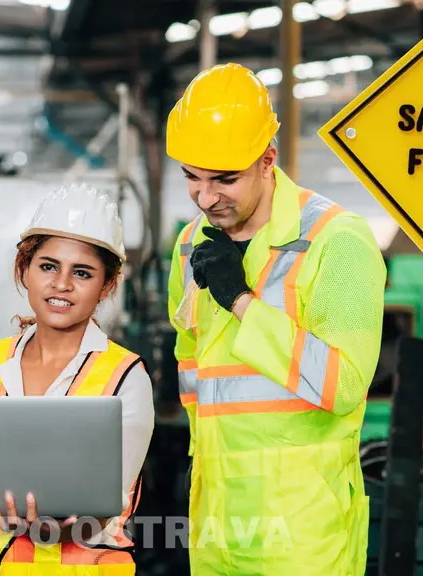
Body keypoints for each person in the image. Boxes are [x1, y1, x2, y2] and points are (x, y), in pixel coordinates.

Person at [165, 62, 386, 575]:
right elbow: (191, 365)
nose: (205, 198)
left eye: (224, 179)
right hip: (217, 527)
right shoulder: (190, 246)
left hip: (302, 537)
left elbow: (344, 384)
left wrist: (240, 300)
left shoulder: (338, 240)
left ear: (268, 161)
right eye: (192, 179)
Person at [0, 182, 155, 575]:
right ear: (23, 269)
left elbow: (105, 510)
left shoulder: (125, 377)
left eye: (82, 272)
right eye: (48, 266)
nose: (61, 284)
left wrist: (49, 527)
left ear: (106, 286)